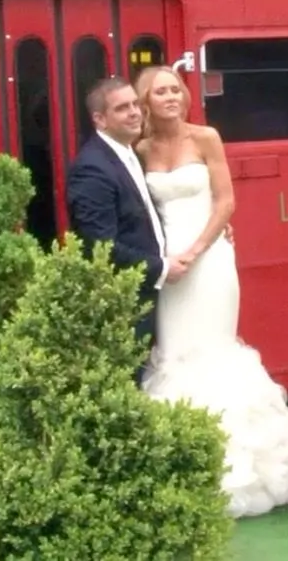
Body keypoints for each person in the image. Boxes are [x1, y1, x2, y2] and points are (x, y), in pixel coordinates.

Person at [132, 65, 288, 518]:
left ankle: (243, 471)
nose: (171, 97)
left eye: (175, 89)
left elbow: (226, 201)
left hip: (209, 262)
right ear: (146, 102)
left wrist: (196, 250)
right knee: (175, 352)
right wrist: (167, 259)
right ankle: (186, 464)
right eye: (160, 92)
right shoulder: (140, 150)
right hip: (168, 267)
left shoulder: (206, 138)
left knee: (216, 351)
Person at [65, 77, 190, 383]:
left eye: (135, 104)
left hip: (149, 290)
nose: (135, 112)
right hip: (126, 300)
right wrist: (161, 268)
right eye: (122, 108)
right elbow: (100, 246)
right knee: (130, 379)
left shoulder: (128, 152)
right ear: (100, 119)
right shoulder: (92, 169)